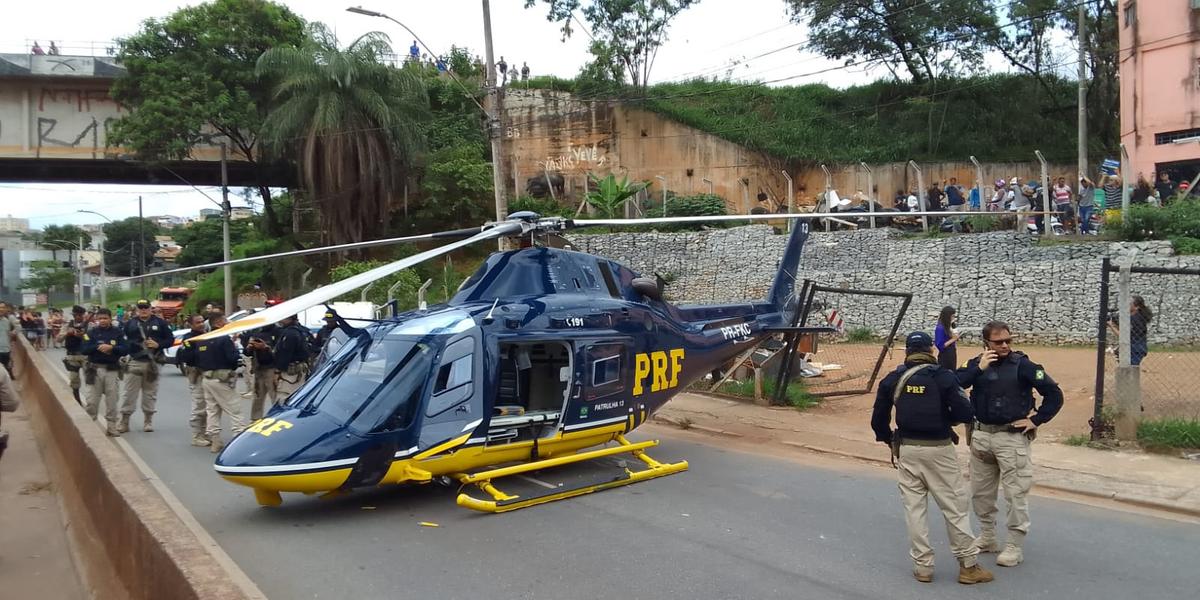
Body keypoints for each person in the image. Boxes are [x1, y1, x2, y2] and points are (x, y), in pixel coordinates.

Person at [871, 332, 993, 585]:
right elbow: (965, 411)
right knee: (955, 508)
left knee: (914, 510)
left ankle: (923, 567)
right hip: (939, 450)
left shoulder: (892, 379)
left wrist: (889, 440)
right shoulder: (944, 377)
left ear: (907, 351)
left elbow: (878, 420)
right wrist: (944, 421)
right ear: (930, 350)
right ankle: (968, 566)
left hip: (906, 450)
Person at [956, 321, 1063, 568]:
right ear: (986, 343)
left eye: (1008, 340)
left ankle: (1014, 544)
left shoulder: (1023, 365)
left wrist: (1036, 420)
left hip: (1011, 438)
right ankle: (988, 536)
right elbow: (954, 384)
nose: (1004, 345)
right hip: (982, 436)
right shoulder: (975, 364)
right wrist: (979, 369)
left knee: (1015, 493)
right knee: (981, 492)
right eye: (998, 342)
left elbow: (1054, 394)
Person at [184, 311, 244, 453]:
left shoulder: (203, 339)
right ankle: (239, 440)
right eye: (225, 320)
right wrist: (235, 349)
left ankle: (215, 440)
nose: (227, 323)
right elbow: (232, 359)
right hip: (222, 379)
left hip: (207, 379)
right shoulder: (223, 339)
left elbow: (198, 359)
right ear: (218, 323)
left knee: (212, 410)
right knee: (235, 410)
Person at [119, 300, 173, 433]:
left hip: (153, 363)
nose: (143, 310)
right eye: (141, 308)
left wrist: (158, 344)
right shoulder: (130, 323)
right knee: (129, 394)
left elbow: (170, 340)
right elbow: (122, 341)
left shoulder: (160, 323)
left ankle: (148, 421)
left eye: (146, 308)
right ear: (137, 309)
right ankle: (124, 421)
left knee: (150, 394)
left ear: (150, 308)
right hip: (135, 361)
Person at [81, 308, 128, 437]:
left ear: (110, 318)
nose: (102, 321)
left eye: (105, 318)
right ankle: (90, 427)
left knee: (112, 401)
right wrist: (98, 347)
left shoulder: (118, 333)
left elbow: (125, 349)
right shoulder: (91, 333)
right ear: (96, 319)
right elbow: (84, 349)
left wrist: (112, 348)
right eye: (100, 318)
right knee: (91, 401)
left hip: (111, 370)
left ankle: (112, 427)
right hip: (94, 370)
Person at [175, 314, 211, 447]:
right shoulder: (189, 339)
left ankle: (207, 432)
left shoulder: (209, 334)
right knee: (199, 405)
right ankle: (197, 435)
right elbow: (188, 357)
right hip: (197, 374)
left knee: (210, 406)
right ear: (191, 325)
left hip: (209, 373)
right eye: (197, 322)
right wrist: (201, 349)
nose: (201, 324)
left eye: (202, 321)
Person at [269, 315, 311, 403]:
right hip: (299, 370)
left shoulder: (290, 334)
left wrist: (277, 372)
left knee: (284, 397)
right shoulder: (300, 331)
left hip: (291, 373)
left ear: (289, 319)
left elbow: (285, 354)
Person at [242, 326, 277, 421]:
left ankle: (278, 417)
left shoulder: (277, 332)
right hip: (259, 368)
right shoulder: (255, 332)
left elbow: (278, 353)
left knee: (275, 395)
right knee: (258, 396)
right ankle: (255, 420)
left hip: (271, 368)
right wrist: (249, 347)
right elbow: (246, 353)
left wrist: (266, 347)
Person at [1108, 295, 1154, 366]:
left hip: (1135, 350)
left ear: (1136, 307)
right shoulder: (1136, 317)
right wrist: (1114, 324)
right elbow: (1125, 331)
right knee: (1126, 370)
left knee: (1128, 370)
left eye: (1130, 304)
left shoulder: (1135, 319)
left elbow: (1123, 336)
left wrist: (1111, 326)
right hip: (1134, 348)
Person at [59, 305, 92, 404]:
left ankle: (90, 401)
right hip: (72, 356)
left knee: (90, 380)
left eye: (80, 315)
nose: (78, 316)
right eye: (76, 315)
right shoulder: (67, 325)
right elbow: (58, 339)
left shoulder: (89, 325)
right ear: (73, 315)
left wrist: (83, 336)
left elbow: (90, 340)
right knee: (74, 380)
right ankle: (78, 401)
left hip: (85, 355)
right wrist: (67, 334)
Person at [1, 302, 23, 376]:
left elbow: (18, 326)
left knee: (6, 367)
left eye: (3, 307)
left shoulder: (10, 318)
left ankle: (9, 372)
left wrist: (13, 333)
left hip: (5, 349)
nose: (1, 309)